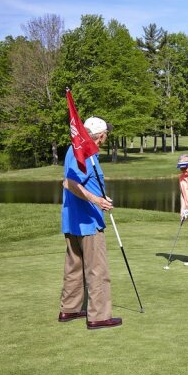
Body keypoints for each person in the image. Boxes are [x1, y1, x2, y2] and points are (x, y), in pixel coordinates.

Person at [58, 116, 122, 329]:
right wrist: (98, 201)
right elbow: (70, 183)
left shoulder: (73, 149)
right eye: (105, 135)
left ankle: (70, 309)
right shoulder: (83, 152)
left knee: (74, 267)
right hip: (87, 222)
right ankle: (99, 316)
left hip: (72, 221)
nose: (105, 139)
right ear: (100, 135)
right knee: (97, 270)